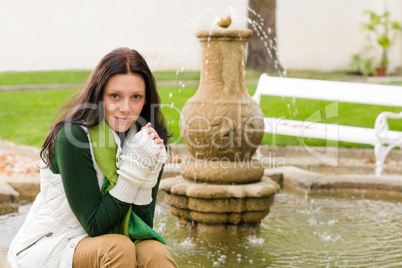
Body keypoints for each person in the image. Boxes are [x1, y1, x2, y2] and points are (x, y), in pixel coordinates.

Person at [8, 47, 178, 267]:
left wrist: (149, 168)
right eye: (114, 96)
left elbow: (142, 225)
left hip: (106, 242)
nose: (125, 108)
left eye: (136, 97)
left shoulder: (144, 141)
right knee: (118, 248)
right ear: (99, 94)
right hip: (54, 244)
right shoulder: (73, 136)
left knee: (154, 250)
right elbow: (95, 225)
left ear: (146, 100)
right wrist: (135, 169)